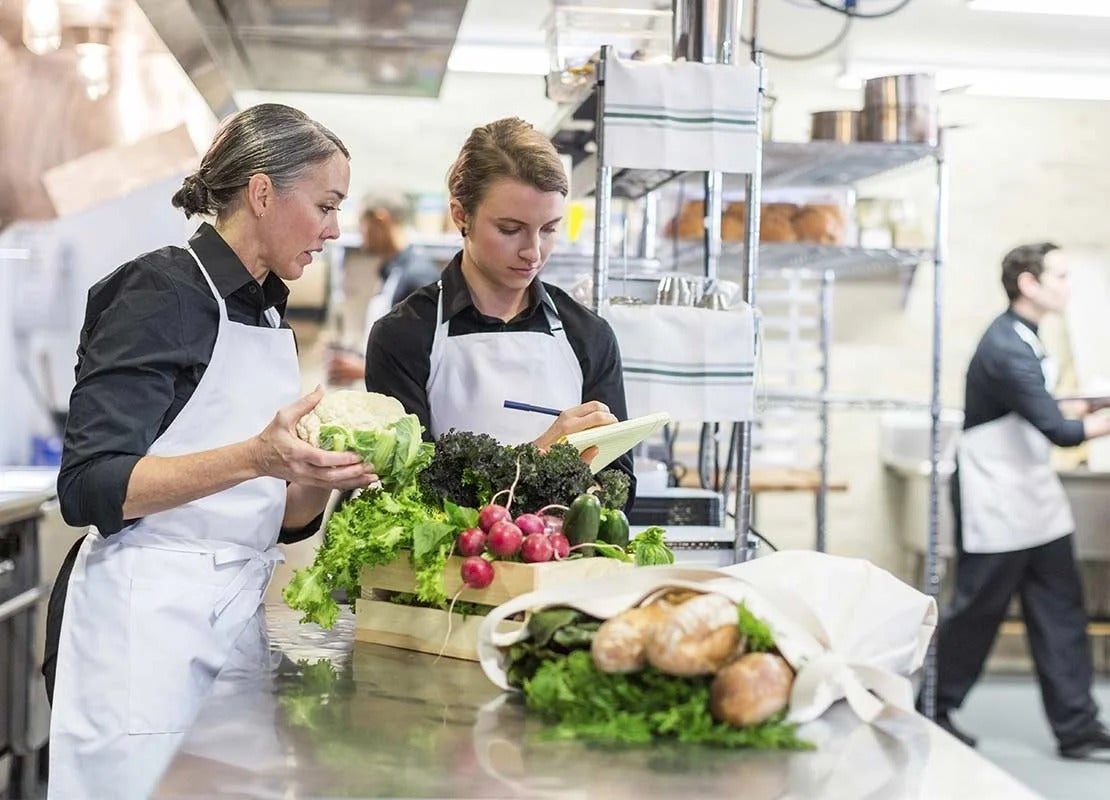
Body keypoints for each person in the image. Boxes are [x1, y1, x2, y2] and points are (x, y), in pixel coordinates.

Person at [43, 103, 377, 799]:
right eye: (325, 204)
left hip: (229, 624)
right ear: (262, 193)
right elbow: (91, 487)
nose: (334, 229)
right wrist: (258, 457)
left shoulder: (264, 309)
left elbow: (270, 514)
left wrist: (319, 476)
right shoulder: (159, 291)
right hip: (142, 631)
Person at [365, 117, 632, 480]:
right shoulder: (404, 336)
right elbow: (409, 490)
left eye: (549, 229)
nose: (533, 252)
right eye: (510, 229)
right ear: (461, 215)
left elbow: (619, 484)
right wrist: (543, 455)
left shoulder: (589, 335)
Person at [933, 242, 1110, 758]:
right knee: (976, 612)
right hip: (996, 498)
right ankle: (931, 707)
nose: (1067, 285)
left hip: (1034, 498)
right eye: (1059, 275)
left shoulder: (1027, 339)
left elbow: (1045, 404)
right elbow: (1060, 429)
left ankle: (1077, 727)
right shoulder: (1005, 346)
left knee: (1061, 610)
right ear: (1027, 284)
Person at [327, 195, 440, 385]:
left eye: (362, 224)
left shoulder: (418, 276)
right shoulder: (393, 270)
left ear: (380, 220)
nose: (360, 234)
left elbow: (423, 359)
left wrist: (363, 369)